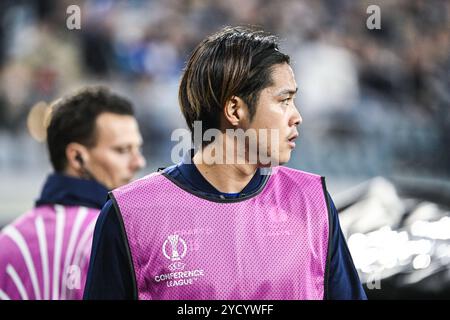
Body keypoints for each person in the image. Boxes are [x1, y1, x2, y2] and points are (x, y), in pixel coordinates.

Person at [84, 27, 367, 300]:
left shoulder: (312, 200)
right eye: (284, 101)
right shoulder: (131, 214)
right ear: (235, 110)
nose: (297, 116)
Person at [0, 86, 146, 300]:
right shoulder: (122, 236)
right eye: (122, 150)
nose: (138, 162)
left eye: (138, 149)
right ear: (77, 157)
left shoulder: (8, 240)